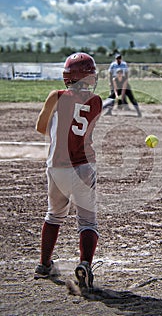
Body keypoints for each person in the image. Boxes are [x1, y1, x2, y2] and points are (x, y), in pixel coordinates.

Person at [34, 52, 102, 292]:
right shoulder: (96, 101)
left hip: (57, 167)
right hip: (84, 166)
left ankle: (43, 264)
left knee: (54, 215)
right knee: (87, 221)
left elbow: (41, 128)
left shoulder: (56, 96)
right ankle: (85, 263)